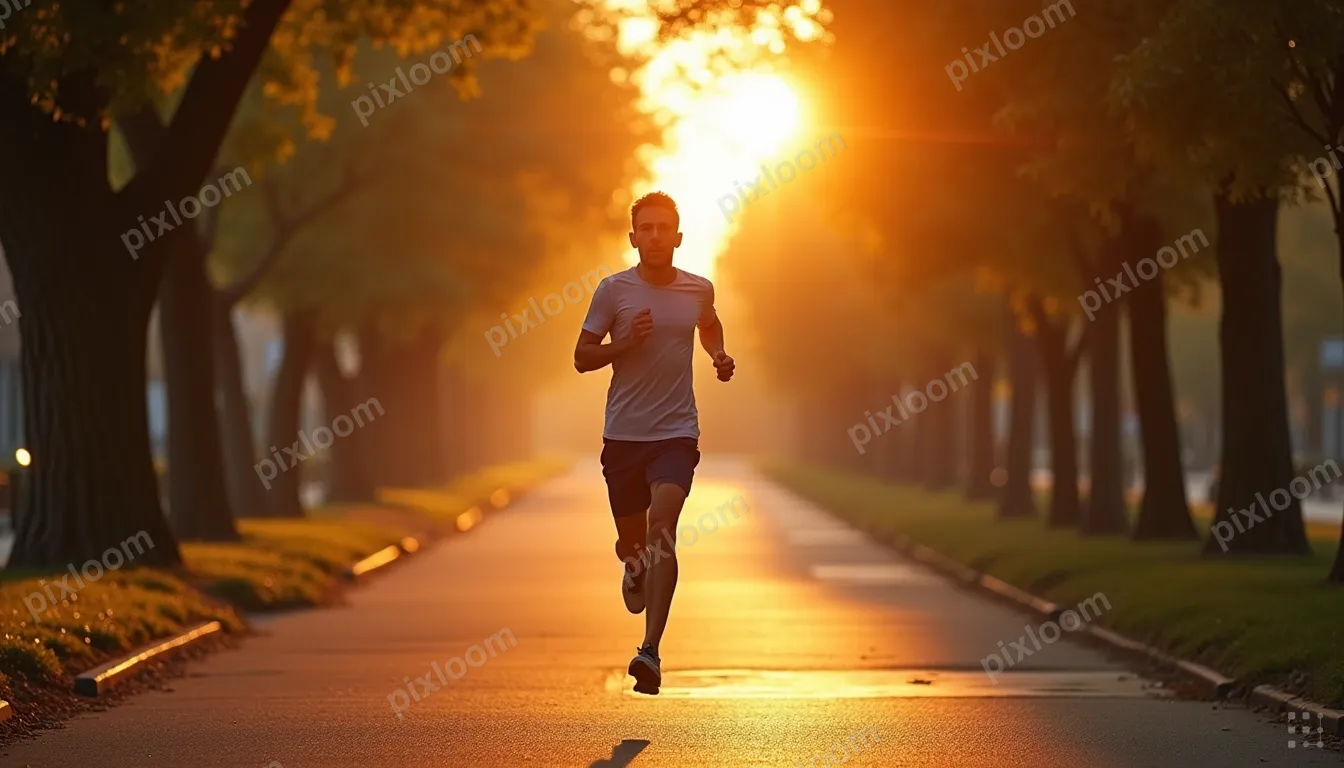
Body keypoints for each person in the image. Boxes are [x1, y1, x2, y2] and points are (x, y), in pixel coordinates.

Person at [573, 191, 735, 695]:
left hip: (676, 434)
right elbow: (581, 357)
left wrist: (719, 355)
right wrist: (626, 343)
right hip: (623, 436)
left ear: (679, 237)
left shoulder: (697, 290)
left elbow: (710, 325)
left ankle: (650, 652)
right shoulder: (612, 291)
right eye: (647, 228)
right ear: (633, 237)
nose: (656, 236)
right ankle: (634, 567)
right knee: (634, 545)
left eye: (664, 228)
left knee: (662, 527)